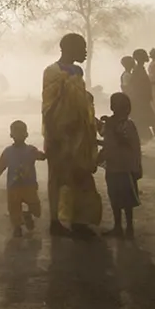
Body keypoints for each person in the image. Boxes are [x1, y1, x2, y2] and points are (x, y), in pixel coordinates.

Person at [41, 34, 101, 237]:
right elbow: (48, 107)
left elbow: (80, 102)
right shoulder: (52, 72)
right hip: (59, 133)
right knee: (57, 178)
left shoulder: (77, 71)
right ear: (68, 48)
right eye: (82, 47)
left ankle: (78, 221)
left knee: (79, 175)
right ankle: (54, 222)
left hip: (79, 134)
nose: (85, 52)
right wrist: (52, 135)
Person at [0, 120, 46, 237]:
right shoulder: (8, 152)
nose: (19, 135)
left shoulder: (31, 150)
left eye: (22, 132)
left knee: (36, 209)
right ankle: (17, 227)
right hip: (13, 187)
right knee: (14, 209)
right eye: (16, 132)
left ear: (26, 134)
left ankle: (27, 215)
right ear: (11, 135)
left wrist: (49, 150)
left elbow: (43, 157)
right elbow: (1, 167)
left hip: (29, 186)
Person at [99, 92, 143, 240]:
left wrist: (137, 166)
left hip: (124, 167)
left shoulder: (126, 125)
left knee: (125, 199)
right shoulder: (117, 124)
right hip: (115, 166)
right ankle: (121, 227)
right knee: (116, 198)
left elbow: (133, 146)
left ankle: (126, 227)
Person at [131, 48, 155, 156]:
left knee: (151, 123)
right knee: (149, 124)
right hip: (141, 102)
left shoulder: (140, 69)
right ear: (141, 58)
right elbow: (137, 86)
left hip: (143, 101)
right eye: (144, 55)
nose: (147, 56)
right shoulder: (138, 70)